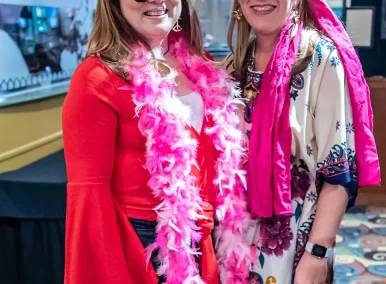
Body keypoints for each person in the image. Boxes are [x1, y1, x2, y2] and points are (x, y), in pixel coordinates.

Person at [62, 0, 253, 283]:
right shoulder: (97, 77)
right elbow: (89, 199)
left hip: (205, 239)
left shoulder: (202, 65)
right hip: (141, 246)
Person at [225, 0, 381, 283]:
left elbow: (339, 171)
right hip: (232, 241)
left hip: (295, 245)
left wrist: (316, 252)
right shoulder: (233, 66)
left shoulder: (321, 60)